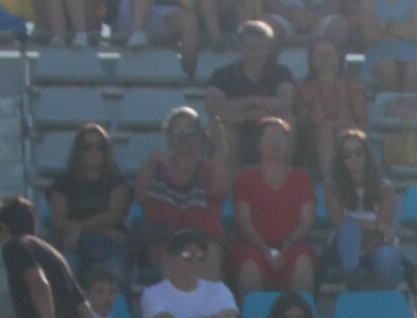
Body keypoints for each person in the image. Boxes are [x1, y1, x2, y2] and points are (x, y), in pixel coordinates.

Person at [134, 105, 231, 278]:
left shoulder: (210, 168)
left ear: (199, 135)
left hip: (204, 239)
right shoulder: (156, 165)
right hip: (164, 239)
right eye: (177, 129)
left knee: (210, 260)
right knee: (172, 262)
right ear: (169, 133)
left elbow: (220, 191)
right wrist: (149, 164)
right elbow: (141, 198)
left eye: (189, 129)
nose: (182, 135)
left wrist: (221, 147)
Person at [230, 117, 317, 296]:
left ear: (287, 144)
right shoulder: (245, 179)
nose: (274, 143)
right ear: (259, 145)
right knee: (249, 269)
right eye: (269, 138)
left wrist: (286, 244)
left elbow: (306, 222)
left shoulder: (302, 179)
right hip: (254, 247)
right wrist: (265, 249)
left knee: (303, 265)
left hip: (292, 246)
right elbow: (244, 222)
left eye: (279, 138)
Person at [45, 122, 130, 285]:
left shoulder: (118, 182)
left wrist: (77, 228)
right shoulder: (63, 183)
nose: (94, 152)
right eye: (87, 147)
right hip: (73, 245)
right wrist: (102, 229)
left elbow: (115, 216)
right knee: (66, 272)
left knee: (116, 273)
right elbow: (57, 221)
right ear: (78, 151)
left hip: (109, 246)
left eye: (100, 147)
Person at [322, 128, 401, 289]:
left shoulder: (385, 188)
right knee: (349, 229)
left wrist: (363, 252)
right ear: (340, 159)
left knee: (387, 258)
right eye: (347, 154)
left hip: (375, 245)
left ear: (367, 154)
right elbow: (339, 221)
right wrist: (376, 225)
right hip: (340, 248)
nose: (353, 158)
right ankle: (353, 283)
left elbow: (382, 234)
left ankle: (385, 306)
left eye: (358, 152)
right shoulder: (331, 187)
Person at [205, 19, 297, 149]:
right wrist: (252, 107)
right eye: (251, 48)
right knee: (219, 126)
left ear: (269, 48)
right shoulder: (222, 75)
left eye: (262, 48)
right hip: (235, 130)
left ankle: (283, 168)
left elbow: (286, 104)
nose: (257, 53)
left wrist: (245, 106)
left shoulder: (281, 73)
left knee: (288, 119)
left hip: (270, 129)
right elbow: (214, 109)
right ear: (240, 48)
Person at [294, 37, 368, 180]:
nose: (325, 59)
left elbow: (364, 123)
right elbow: (301, 124)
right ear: (311, 59)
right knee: (326, 134)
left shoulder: (353, 86)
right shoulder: (303, 88)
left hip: (348, 137)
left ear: (337, 57)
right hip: (314, 143)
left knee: (343, 135)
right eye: (319, 55)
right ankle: (331, 180)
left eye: (329, 54)